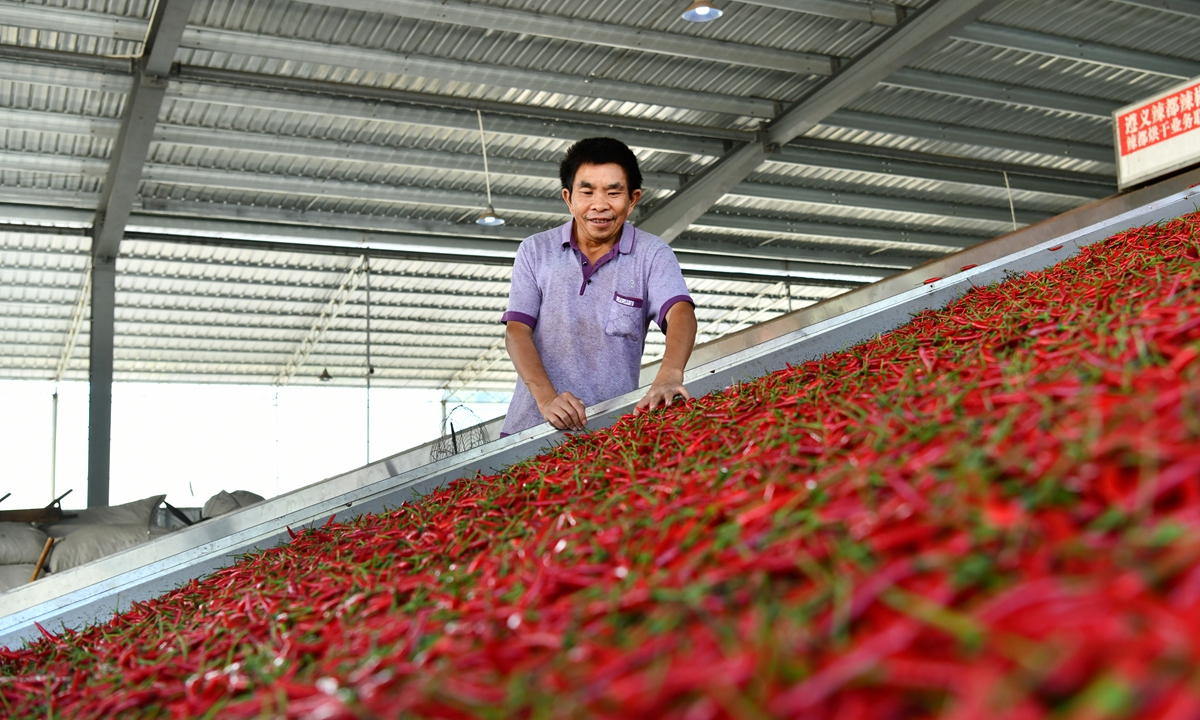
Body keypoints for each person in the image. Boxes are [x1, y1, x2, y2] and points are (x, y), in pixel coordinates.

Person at [499, 137, 697, 436]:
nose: (600, 205)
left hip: (610, 436)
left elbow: (680, 312)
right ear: (569, 197)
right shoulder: (536, 250)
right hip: (530, 429)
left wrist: (669, 374)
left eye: (614, 192)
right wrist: (547, 400)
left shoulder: (651, 254)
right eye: (587, 191)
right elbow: (516, 331)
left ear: (633, 199)